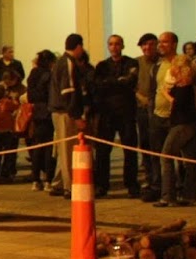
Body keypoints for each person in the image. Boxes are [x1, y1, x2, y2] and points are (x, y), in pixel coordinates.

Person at [90, 34, 139, 198]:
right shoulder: (102, 66)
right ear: (108, 46)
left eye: (117, 44)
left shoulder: (131, 63)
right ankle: (102, 185)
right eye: (111, 44)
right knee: (103, 151)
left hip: (126, 113)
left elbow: (130, 82)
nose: (114, 47)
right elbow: (98, 85)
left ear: (122, 46)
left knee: (130, 150)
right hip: (107, 113)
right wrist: (118, 81)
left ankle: (132, 184)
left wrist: (110, 82)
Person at [156, 60, 196, 208]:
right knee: (190, 161)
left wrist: (164, 94)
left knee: (166, 156)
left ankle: (168, 196)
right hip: (187, 124)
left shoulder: (186, 87)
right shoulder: (181, 86)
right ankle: (189, 195)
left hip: (182, 124)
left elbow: (177, 103)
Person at [50, 34, 90, 198]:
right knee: (67, 150)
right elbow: (68, 92)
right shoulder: (68, 62)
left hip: (59, 110)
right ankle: (70, 186)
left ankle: (59, 182)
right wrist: (76, 116)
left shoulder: (61, 62)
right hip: (65, 112)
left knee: (63, 148)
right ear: (78, 46)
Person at [133, 33, 161, 202]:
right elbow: (131, 85)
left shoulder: (162, 63)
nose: (147, 48)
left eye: (151, 44)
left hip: (159, 110)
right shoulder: (136, 63)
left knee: (159, 148)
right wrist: (140, 96)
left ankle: (160, 183)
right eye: (144, 45)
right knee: (145, 146)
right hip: (142, 110)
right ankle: (149, 180)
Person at [25, 50, 57, 191]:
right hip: (48, 113)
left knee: (37, 146)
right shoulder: (50, 75)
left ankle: (35, 179)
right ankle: (48, 180)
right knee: (49, 147)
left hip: (37, 113)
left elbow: (30, 95)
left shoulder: (33, 74)